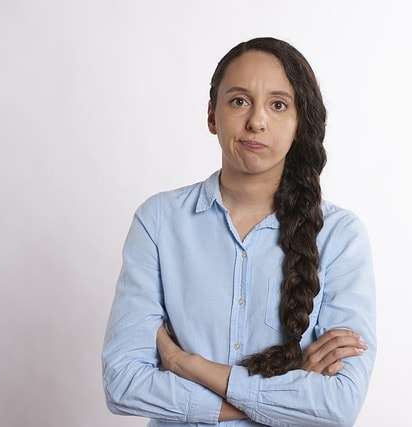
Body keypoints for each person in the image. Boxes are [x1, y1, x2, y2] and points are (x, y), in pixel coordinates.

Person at [101, 37, 377, 426]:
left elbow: (339, 404)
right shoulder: (159, 221)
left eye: (278, 105)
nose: (256, 121)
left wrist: (188, 364)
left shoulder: (340, 236)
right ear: (212, 115)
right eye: (239, 101)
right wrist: (284, 398)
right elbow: (123, 383)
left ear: (299, 122)